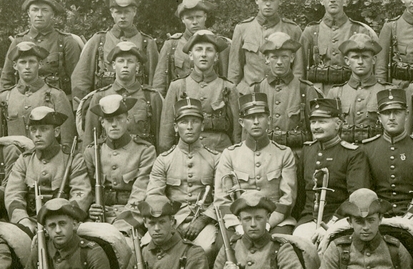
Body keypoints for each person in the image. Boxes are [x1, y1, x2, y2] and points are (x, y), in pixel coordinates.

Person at [213, 94, 298, 233]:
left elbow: (287, 199)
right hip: (239, 220)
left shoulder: (284, 153)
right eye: (250, 117)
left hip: (275, 221)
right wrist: (238, 225)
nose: (256, 122)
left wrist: (268, 224)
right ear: (241, 122)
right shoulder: (230, 154)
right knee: (223, 245)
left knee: (282, 245)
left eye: (261, 116)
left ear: (269, 120)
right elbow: (222, 200)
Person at [4, 107, 92, 238]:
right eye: (33, 130)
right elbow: (13, 194)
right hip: (32, 222)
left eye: (44, 129)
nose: (37, 134)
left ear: (56, 132)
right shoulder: (25, 160)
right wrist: (23, 220)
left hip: (64, 223)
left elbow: (81, 194)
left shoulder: (72, 158)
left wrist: (63, 221)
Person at [147, 103, 220, 256]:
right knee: (146, 247)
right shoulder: (164, 160)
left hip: (204, 221)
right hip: (170, 222)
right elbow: (154, 196)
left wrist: (203, 220)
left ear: (202, 125)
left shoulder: (215, 159)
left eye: (195, 121)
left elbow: (222, 196)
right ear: (175, 127)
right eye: (184, 122)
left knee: (206, 248)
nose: (189, 127)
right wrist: (171, 222)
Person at [360, 89, 413, 226]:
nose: (391, 117)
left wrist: (411, 218)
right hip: (377, 217)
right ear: (379, 118)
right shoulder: (367, 149)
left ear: (407, 114)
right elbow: (363, 191)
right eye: (386, 113)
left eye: (397, 112)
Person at [293, 98, 369, 241]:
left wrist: (332, 223)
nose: (316, 127)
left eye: (322, 121)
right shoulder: (308, 150)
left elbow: (356, 197)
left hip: (341, 218)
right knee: (300, 241)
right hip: (309, 218)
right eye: (313, 122)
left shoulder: (353, 153)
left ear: (338, 124)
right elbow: (301, 194)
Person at [71, 0, 159, 105]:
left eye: (127, 12)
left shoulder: (147, 42)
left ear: (134, 12)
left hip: (138, 107)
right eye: (118, 12)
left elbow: (156, 81)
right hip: (104, 108)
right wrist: (83, 110)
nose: (122, 16)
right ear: (112, 13)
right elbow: (81, 79)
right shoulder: (99, 40)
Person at [160, 30, 239, 152]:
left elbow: (237, 132)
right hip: (186, 152)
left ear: (216, 56)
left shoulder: (228, 87)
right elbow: (166, 131)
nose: (203, 54)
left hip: (221, 152)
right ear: (191, 55)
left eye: (209, 50)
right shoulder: (177, 86)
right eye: (199, 49)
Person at [78, 41, 165, 151]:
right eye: (120, 61)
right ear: (114, 65)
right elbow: (89, 141)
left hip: (143, 161)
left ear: (137, 66)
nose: (125, 65)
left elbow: (160, 138)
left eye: (130, 62)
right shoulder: (100, 96)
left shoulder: (151, 97)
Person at [83, 95, 156, 224]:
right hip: (100, 214)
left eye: (119, 119)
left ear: (127, 120)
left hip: (131, 215)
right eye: (109, 120)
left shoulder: (145, 150)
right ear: (102, 123)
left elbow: (141, 191)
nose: (114, 125)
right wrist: (91, 207)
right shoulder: (92, 151)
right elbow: (86, 188)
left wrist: (123, 220)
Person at [228, 0, 305, 92]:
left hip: (281, 93)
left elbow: (298, 71)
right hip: (249, 94)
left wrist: (293, 94)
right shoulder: (242, 28)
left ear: (280, 1)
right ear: (256, 0)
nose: (268, 4)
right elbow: (234, 70)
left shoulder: (293, 30)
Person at [0, 0, 82, 96]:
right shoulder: (18, 41)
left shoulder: (66, 42)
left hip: (56, 105)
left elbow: (78, 82)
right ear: (29, 13)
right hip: (24, 104)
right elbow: (6, 80)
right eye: (35, 10)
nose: (39, 14)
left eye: (45, 10)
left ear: (52, 14)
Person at [0, 41, 76, 146]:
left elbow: (67, 141)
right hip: (14, 159)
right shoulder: (4, 98)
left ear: (40, 64)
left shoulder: (56, 95)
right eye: (22, 62)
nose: (27, 66)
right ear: (14, 65)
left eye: (32, 62)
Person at [301, 0, 373, 92]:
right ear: (321, 1)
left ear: (345, 0)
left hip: (351, 93)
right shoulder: (311, 31)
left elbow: (369, 70)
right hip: (319, 94)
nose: (332, 0)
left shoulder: (360, 30)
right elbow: (301, 71)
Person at [250, 31, 320, 151]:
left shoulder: (306, 90)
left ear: (292, 58)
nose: (279, 62)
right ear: (266, 59)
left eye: (284, 56)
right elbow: (246, 132)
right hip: (264, 156)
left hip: (296, 157)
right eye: (274, 57)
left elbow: (316, 132)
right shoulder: (256, 90)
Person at [153, 0, 225, 93]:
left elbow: (226, 79)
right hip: (180, 102)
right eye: (190, 18)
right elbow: (159, 83)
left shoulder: (217, 43)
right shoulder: (171, 45)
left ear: (205, 17)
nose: (194, 22)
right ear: (182, 19)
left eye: (198, 17)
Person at [329, 33, 390, 144]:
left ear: (374, 59)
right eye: (355, 57)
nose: (360, 61)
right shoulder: (335, 93)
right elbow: (329, 131)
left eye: (365, 57)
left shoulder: (386, 91)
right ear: (347, 61)